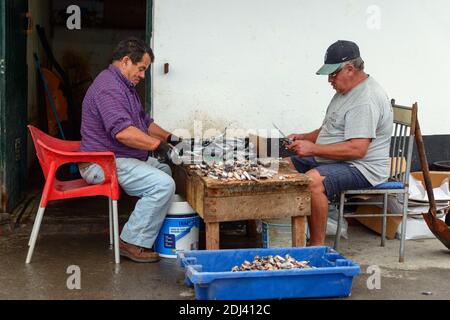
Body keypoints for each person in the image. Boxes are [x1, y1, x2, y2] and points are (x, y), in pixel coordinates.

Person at [78, 37, 181, 263]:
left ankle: (140, 230)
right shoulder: (109, 88)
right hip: (101, 163)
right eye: (141, 68)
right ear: (126, 61)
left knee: (163, 170)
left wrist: (170, 138)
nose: (143, 75)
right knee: (163, 184)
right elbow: (122, 132)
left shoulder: (125, 86)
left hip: (118, 158)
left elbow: (144, 122)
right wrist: (156, 145)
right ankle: (131, 241)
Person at [286, 40, 393, 246]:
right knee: (285, 167)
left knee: (312, 182)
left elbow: (358, 149)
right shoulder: (344, 92)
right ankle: (289, 234)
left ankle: (316, 247)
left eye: (333, 74)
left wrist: (313, 148)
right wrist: (303, 137)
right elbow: (329, 129)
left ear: (350, 69)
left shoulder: (365, 99)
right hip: (335, 158)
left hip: (362, 167)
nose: (329, 80)